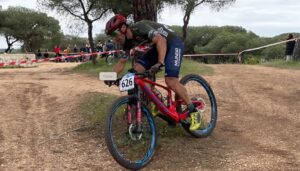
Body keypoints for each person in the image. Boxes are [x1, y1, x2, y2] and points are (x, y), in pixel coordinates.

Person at [104, 14, 202, 131]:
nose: (115, 39)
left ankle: (194, 111)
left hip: (172, 42)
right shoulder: (127, 43)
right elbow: (121, 63)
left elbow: (161, 39)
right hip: (158, 46)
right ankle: (158, 101)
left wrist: (160, 62)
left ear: (124, 28)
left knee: (170, 81)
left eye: (115, 34)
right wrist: (110, 76)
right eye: (112, 36)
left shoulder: (139, 28)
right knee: (135, 72)